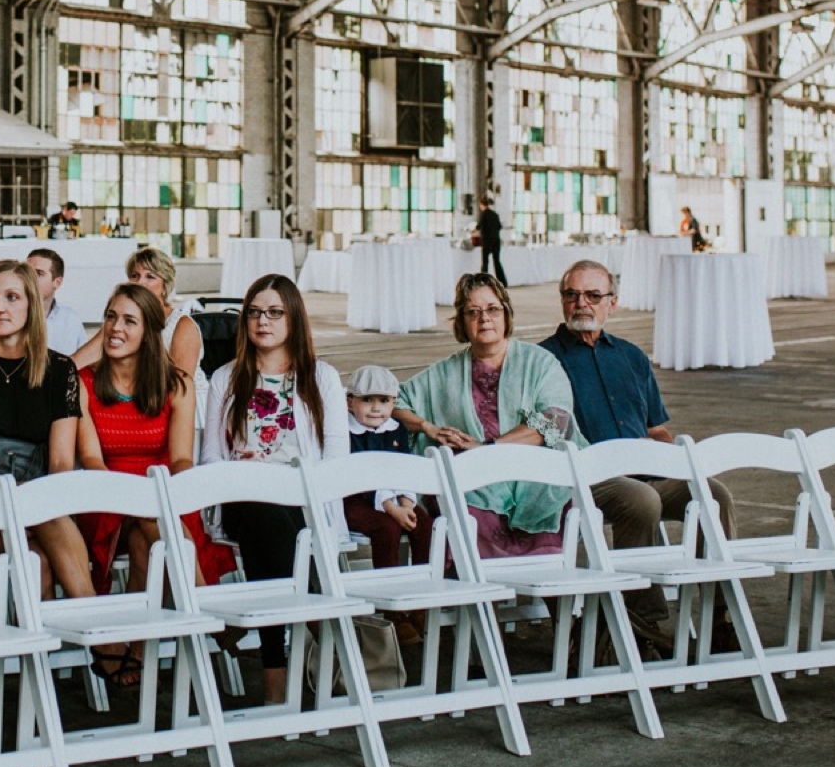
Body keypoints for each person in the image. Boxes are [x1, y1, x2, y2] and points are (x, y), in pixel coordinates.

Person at [540, 259, 735, 652]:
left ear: (612, 302)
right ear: (562, 301)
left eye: (593, 295)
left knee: (713, 495)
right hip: (583, 480)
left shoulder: (630, 357)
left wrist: (682, 463)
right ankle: (642, 622)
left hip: (646, 474)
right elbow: (541, 429)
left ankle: (721, 616)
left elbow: (655, 430)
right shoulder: (543, 360)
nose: (582, 303)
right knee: (640, 499)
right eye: (572, 294)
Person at [0, 261, 108, 663]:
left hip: (40, 513)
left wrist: (30, 509)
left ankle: (40, 677)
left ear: (32, 305)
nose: (0, 307)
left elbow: (62, 464)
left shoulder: (60, 370)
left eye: (12, 297)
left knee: (40, 544)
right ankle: (99, 633)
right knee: (41, 534)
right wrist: (0, 511)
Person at [200, 273, 348, 701]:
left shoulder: (322, 378)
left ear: (294, 318)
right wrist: (239, 466)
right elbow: (210, 458)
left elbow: (337, 460)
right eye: (254, 312)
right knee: (266, 517)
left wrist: (291, 480)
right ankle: (319, 625)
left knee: (277, 537)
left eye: (275, 312)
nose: (263, 321)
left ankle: (271, 666)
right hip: (243, 496)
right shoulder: (225, 379)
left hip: (304, 499)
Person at [394, 273, 581, 559]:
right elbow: (395, 402)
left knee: (552, 514)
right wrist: (427, 427)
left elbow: (556, 421)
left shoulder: (540, 362)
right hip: (476, 485)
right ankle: (484, 599)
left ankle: (549, 598)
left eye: (493, 309)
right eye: (473, 312)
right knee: (464, 511)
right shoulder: (444, 372)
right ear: (461, 321)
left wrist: (488, 449)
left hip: (535, 478)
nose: (484, 319)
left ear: (506, 313)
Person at [74, 284, 230, 624]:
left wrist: (185, 491)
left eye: (130, 321)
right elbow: (90, 458)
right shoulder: (84, 383)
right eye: (111, 317)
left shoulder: (177, 384)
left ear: (148, 333)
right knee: (151, 514)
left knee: (148, 537)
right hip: (106, 494)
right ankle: (205, 607)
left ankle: (137, 646)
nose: (116, 328)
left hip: (162, 494)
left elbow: (180, 459)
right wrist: (135, 495)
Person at [343, 364, 433, 644]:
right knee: (387, 529)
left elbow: (403, 468)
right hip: (357, 498)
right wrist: (392, 509)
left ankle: (420, 598)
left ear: (394, 403)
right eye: (366, 400)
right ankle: (391, 606)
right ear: (350, 402)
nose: (375, 409)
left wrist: (406, 502)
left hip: (394, 494)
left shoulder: (396, 430)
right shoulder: (348, 433)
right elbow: (359, 476)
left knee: (423, 523)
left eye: (383, 401)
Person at [72, 246, 206, 418]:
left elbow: (178, 386)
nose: (140, 282)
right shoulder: (119, 323)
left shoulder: (182, 325)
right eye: (135, 276)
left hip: (185, 412)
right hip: (141, 403)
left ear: (164, 287)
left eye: (150, 276)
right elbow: (77, 363)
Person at [27, 248, 87, 357]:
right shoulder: (12, 315)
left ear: (57, 283)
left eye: (39, 274)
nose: (30, 279)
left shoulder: (71, 319)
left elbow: (86, 362)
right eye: (27, 273)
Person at [476, 198, 507, 287]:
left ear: (482, 204)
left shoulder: (483, 214)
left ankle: (483, 282)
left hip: (487, 240)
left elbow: (479, 227)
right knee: (497, 261)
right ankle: (502, 282)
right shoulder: (495, 214)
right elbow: (499, 226)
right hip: (496, 240)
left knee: (485, 262)